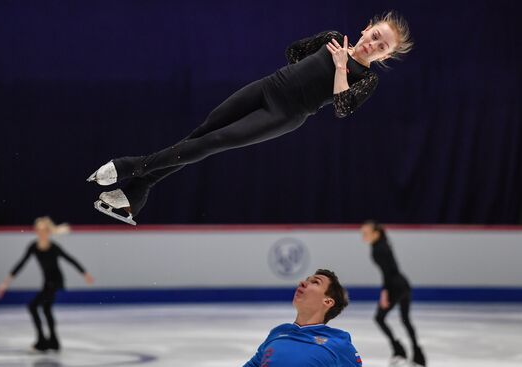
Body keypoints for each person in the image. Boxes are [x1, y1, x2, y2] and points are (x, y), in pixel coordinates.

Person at [87, 10, 413, 224]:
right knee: (202, 133)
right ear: (367, 28)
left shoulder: (366, 78)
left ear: (386, 56)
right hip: (267, 87)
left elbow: (343, 108)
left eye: (381, 46)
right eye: (375, 36)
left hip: (284, 114)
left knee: (214, 142)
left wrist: (341, 67)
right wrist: (298, 75)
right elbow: (295, 52)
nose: (373, 44)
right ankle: (136, 193)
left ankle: (131, 166)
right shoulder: (331, 37)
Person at [0, 217, 94, 352]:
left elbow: (70, 259)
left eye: (44, 230)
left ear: (49, 232)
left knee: (33, 306)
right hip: (47, 282)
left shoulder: (54, 248)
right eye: (39, 230)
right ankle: (53, 342)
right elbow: (21, 264)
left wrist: (85, 274)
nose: (41, 233)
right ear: (36, 231)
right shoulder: (33, 247)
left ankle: (42, 342)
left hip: (56, 281)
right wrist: (5, 283)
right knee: (46, 309)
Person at [243, 269, 361, 367]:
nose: (302, 283)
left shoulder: (338, 343)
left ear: (328, 301)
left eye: (315, 282)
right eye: (306, 280)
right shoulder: (278, 332)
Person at [360, 221, 426, 366]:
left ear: (376, 233)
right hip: (403, 284)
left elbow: (387, 273)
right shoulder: (382, 244)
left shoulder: (378, 249)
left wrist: (385, 293)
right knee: (405, 320)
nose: (362, 236)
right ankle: (418, 356)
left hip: (394, 286)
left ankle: (398, 350)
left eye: (365, 233)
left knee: (379, 318)